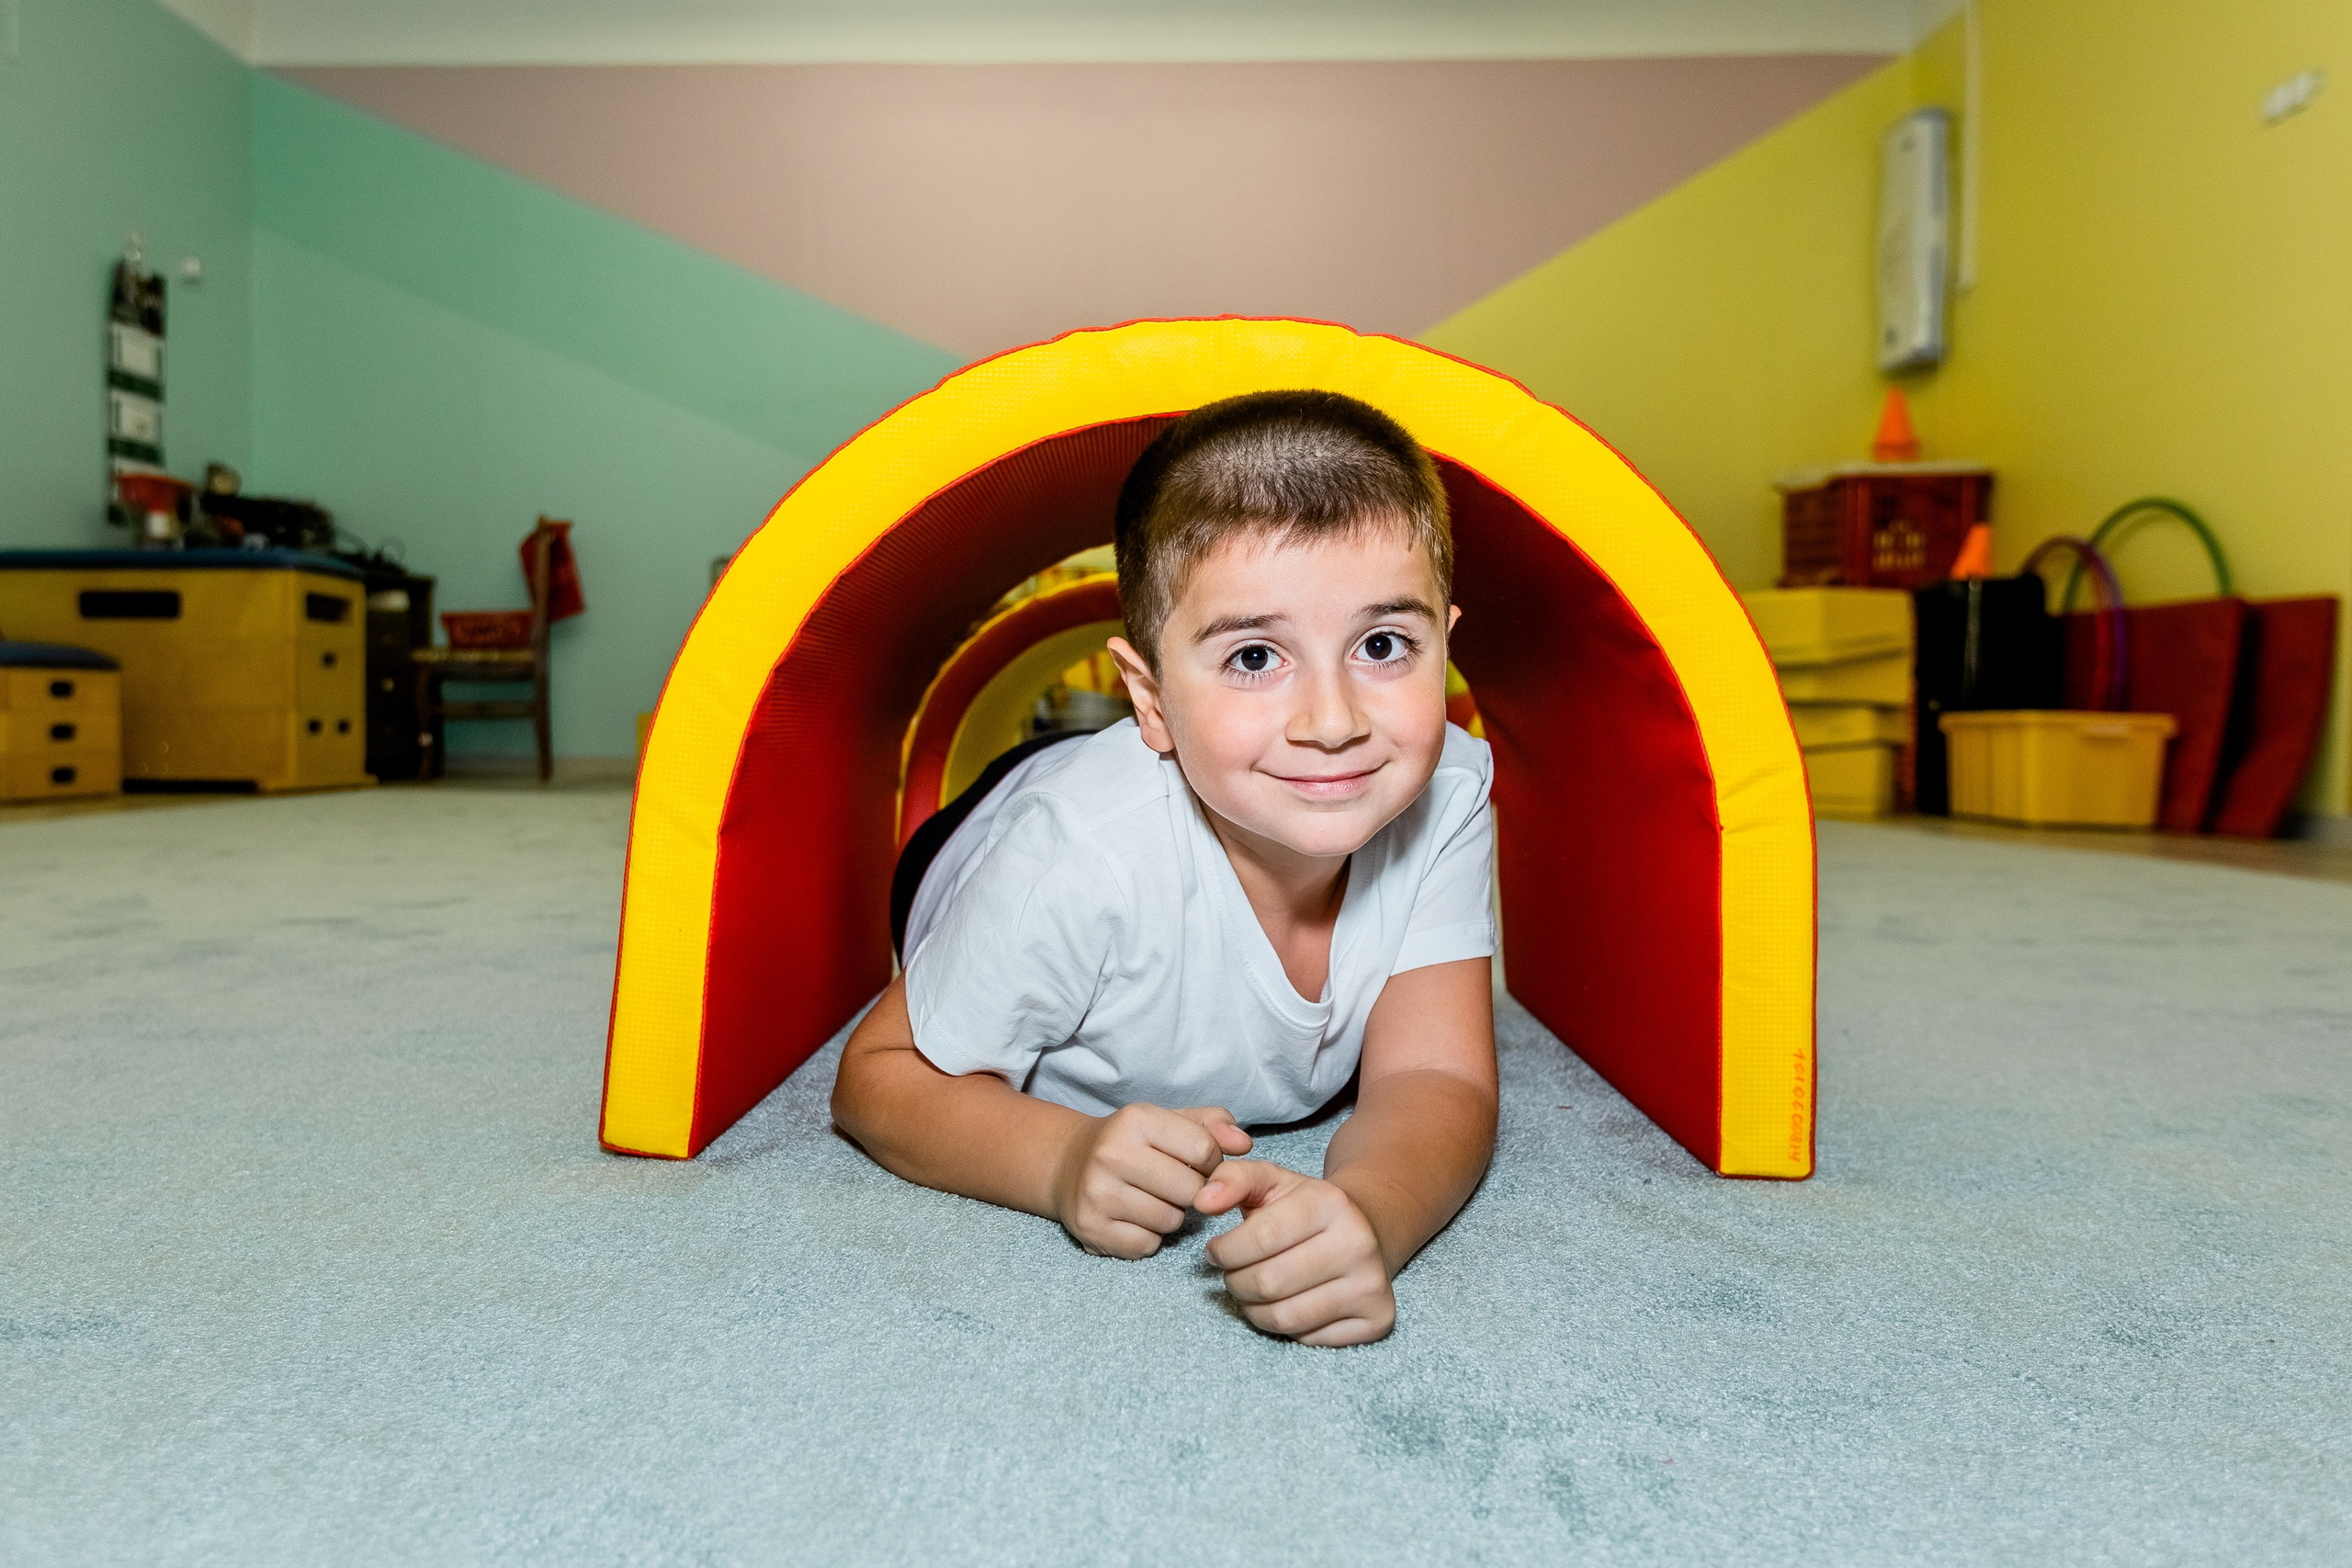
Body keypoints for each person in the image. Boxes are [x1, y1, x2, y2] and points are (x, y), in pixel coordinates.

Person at [832, 390, 1497, 1347]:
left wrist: (1373, 1211)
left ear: (1444, 642)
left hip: (1172, 791)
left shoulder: (1443, 788)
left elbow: (1438, 1075)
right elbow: (878, 1079)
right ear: (1147, 698)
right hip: (993, 825)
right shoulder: (1076, 851)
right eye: (1256, 655)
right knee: (1047, 837)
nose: (1334, 718)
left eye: (1383, 645)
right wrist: (1062, 1163)